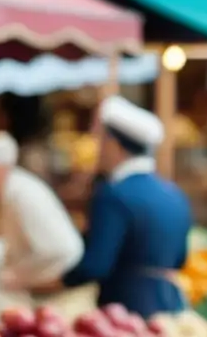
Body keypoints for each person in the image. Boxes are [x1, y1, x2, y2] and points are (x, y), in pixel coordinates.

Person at [61, 96, 192, 318]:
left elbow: (95, 265)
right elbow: (180, 259)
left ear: (113, 145)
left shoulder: (113, 195)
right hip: (172, 307)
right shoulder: (175, 194)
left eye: (101, 141)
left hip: (125, 312)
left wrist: (55, 281)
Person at [0, 131, 83, 305]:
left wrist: (14, 277)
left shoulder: (22, 194)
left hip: (62, 298)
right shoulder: (9, 191)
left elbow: (58, 250)